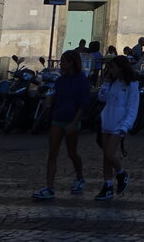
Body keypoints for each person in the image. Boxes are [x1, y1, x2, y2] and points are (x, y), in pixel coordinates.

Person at [32, 50, 92, 200]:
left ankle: (80, 177)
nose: (61, 64)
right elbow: (53, 94)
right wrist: (49, 100)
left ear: (72, 62)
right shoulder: (60, 80)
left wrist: (73, 123)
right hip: (58, 119)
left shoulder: (81, 81)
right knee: (52, 153)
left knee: (72, 153)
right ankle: (50, 187)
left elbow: (82, 105)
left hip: (72, 120)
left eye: (64, 61)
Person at [95, 55, 140, 201]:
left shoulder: (131, 85)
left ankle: (121, 173)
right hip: (106, 121)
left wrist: (126, 125)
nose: (110, 70)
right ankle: (107, 185)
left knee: (109, 154)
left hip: (119, 124)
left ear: (121, 68)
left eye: (112, 67)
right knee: (106, 156)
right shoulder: (112, 83)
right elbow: (102, 98)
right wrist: (106, 83)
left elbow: (132, 108)